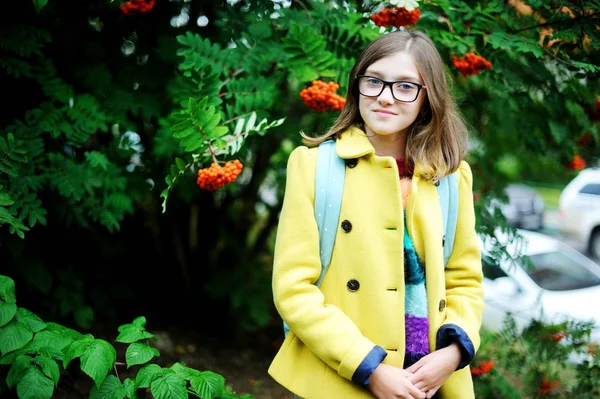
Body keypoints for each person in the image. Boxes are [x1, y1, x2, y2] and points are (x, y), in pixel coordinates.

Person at [268, 29, 484, 399]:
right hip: (344, 377)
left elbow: (464, 280)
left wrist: (451, 354)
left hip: (429, 381)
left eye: (405, 86)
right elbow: (294, 290)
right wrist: (369, 367)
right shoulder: (314, 167)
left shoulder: (450, 176)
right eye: (374, 81)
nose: (385, 97)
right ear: (357, 86)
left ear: (427, 98)